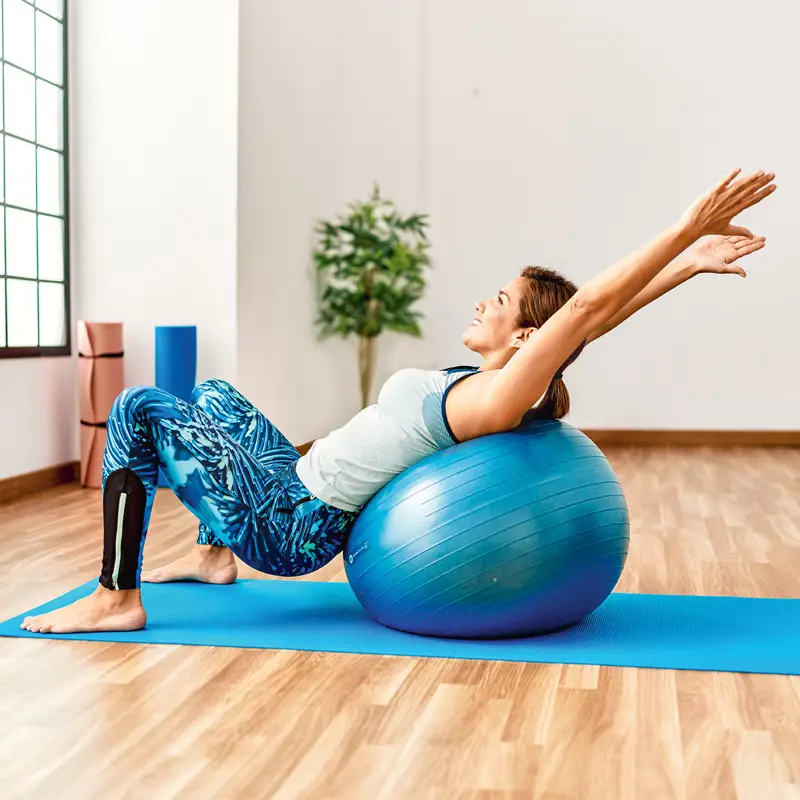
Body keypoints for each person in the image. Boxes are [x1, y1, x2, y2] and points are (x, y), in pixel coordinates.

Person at [21, 167, 776, 634]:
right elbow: (592, 321)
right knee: (214, 391)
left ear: (524, 341)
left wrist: (683, 230)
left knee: (136, 409)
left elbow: (580, 318)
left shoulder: (495, 399)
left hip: (290, 524)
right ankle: (214, 559)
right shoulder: (484, 380)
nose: (487, 301)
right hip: (293, 479)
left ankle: (116, 595)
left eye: (504, 300)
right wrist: (686, 271)